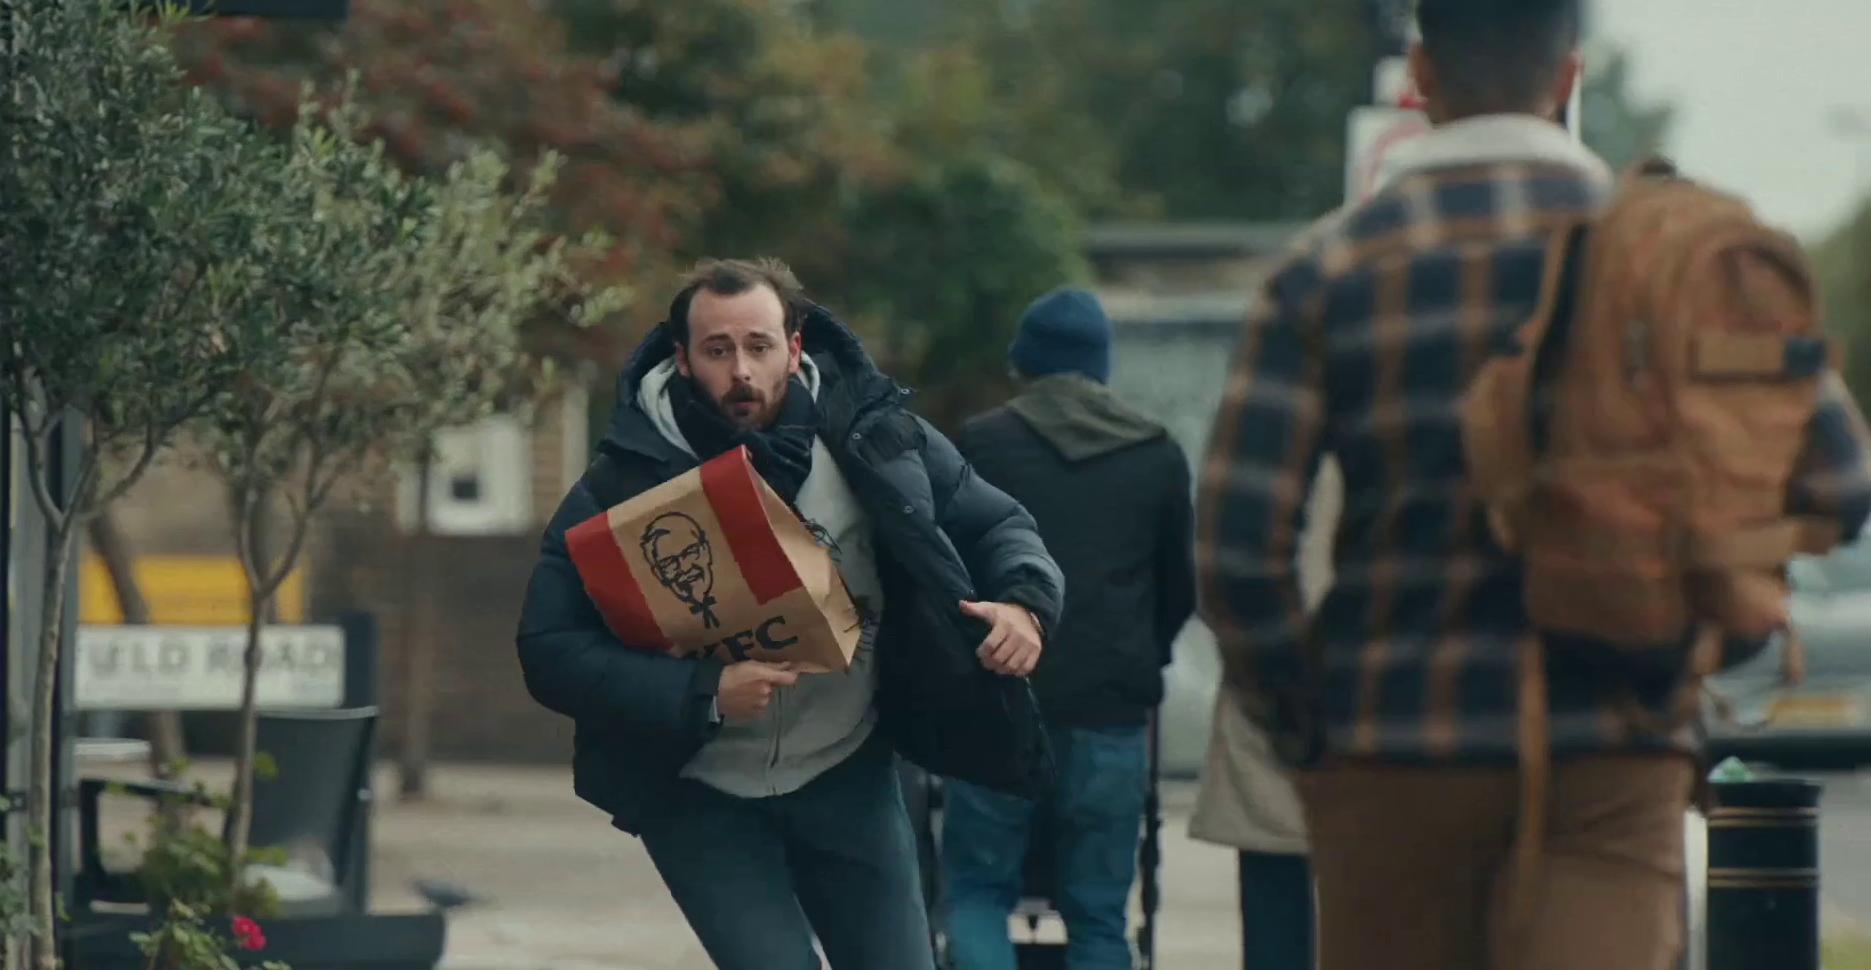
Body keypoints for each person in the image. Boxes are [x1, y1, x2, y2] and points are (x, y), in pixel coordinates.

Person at [1195, 0, 1871, 970]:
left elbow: (1238, 547)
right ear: (1568, 74)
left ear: (1422, 75)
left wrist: (1311, 727)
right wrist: (1699, 640)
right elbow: (1840, 480)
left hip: (1396, 747)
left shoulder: (1329, 269)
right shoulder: (1672, 257)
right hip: (1615, 745)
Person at [516, 258, 1064, 970]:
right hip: (699, 791)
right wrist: (704, 691)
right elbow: (548, 646)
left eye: (759, 346)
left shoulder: (874, 439)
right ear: (682, 359)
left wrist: (1025, 604)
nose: (741, 370)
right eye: (717, 350)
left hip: (848, 769)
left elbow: (1000, 523)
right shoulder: (624, 481)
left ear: (795, 346)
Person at [939, 288, 1194, 970]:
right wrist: (1137, 660)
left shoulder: (983, 444)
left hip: (998, 704)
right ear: (1100, 364)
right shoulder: (1158, 453)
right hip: (1112, 712)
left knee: (977, 892)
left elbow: (946, 576)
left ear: (1025, 363)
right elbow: (1178, 591)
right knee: (1099, 914)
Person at [1188, 457, 1338, 970]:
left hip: (1269, 693)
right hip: (1384, 700)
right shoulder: (1415, 437)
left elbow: (1218, 573)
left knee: (1274, 904)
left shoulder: (1266, 453)